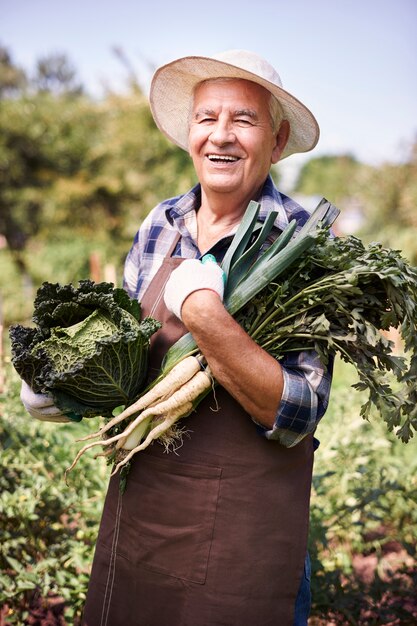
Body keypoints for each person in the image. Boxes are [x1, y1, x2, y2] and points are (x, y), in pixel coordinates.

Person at [21, 50, 333, 626]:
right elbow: (135, 360)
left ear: (278, 138)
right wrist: (71, 390)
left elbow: (299, 412)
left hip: (247, 533)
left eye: (243, 119)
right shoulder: (159, 224)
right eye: (206, 118)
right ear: (189, 132)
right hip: (144, 517)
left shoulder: (306, 248)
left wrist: (208, 318)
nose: (222, 136)